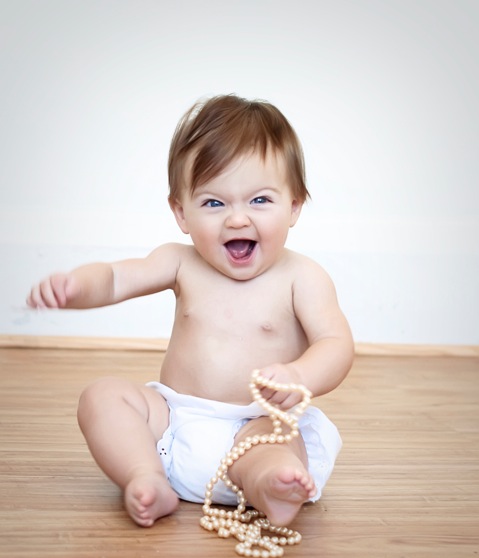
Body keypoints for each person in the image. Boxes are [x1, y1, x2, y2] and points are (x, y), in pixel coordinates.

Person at [27, 94, 354, 529]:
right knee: (101, 397)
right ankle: (144, 475)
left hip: (254, 423)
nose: (237, 220)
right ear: (181, 212)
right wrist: (76, 286)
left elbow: (336, 344)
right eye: (214, 203)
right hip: (171, 422)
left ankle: (269, 484)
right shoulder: (180, 262)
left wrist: (300, 375)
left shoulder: (302, 277)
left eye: (259, 200)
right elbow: (116, 278)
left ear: (294, 205)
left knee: (277, 444)